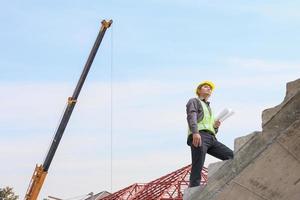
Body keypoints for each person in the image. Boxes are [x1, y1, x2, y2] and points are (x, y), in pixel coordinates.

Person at [186, 81, 234, 187]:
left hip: (211, 138)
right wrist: (195, 132)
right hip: (199, 135)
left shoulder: (209, 108)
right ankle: (194, 190)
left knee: (232, 156)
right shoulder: (194, 101)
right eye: (206, 87)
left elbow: (211, 127)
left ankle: (223, 181)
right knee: (198, 164)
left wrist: (216, 127)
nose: (209, 89)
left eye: (210, 88)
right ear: (199, 90)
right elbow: (191, 116)